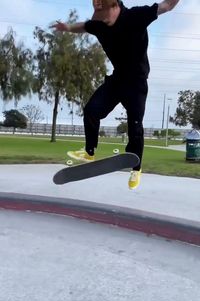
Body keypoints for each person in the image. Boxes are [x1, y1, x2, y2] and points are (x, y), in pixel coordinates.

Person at [51, 0, 180, 189]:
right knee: (91, 111)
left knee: (135, 125)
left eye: (103, 16)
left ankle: (136, 169)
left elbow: (167, 6)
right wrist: (67, 27)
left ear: (114, 6)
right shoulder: (99, 25)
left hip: (136, 83)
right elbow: (84, 26)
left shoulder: (136, 16)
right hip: (117, 80)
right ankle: (89, 152)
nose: (101, 21)